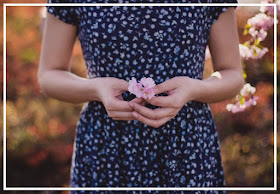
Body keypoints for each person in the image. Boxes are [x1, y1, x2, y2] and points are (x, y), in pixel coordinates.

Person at [38, 0, 244, 192]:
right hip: (106, 145)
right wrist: (96, 88)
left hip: (185, 145)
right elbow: (49, 75)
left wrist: (194, 89)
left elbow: (232, 74)